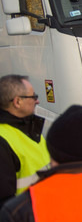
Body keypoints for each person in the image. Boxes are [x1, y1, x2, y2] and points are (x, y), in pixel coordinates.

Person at [0, 75, 50, 208]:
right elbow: (4, 204)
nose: (37, 101)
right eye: (33, 97)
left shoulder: (31, 129)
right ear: (17, 102)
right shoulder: (3, 139)